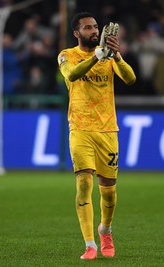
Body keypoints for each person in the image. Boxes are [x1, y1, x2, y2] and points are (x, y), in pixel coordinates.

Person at [57, 12, 136, 260]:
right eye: (88, 28)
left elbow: (130, 79)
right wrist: (96, 57)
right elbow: (71, 74)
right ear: (76, 33)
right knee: (83, 184)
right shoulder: (66, 55)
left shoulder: (109, 57)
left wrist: (116, 56)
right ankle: (90, 244)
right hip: (80, 129)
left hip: (108, 130)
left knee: (108, 191)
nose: (94, 31)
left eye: (95, 27)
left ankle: (106, 230)